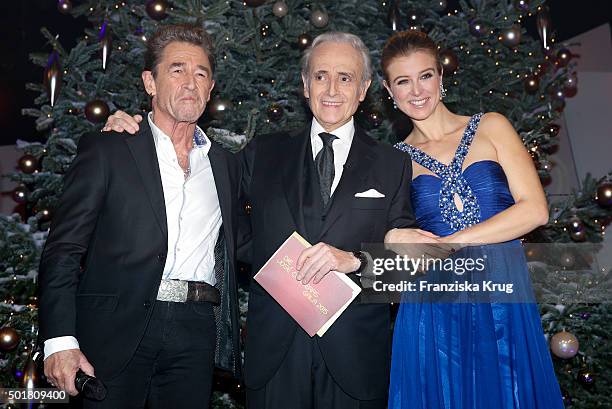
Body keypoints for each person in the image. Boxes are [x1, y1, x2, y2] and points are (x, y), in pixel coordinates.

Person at [104, 31, 415, 409]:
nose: (332, 88)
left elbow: (409, 267)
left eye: (345, 78)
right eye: (320, 76)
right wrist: (138, 134)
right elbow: (216, 211)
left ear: (364, 88)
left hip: (357, 357)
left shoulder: (393, 163)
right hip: (275, 357)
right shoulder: (263, 153)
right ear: (305, 85)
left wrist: (354, 261)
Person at [38, 24, 241, 409]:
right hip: (114, 331)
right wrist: (60, 341)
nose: (190, 83)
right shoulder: (110, 150)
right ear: (150, 82)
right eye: (177, 70)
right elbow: (63, 251)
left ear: (211, 90)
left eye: (201, 74)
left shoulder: (226, 166)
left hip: (195, 332)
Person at [380, 31, 564, 408]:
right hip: (435, 308)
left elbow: (535, 209)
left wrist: (452, 242)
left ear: (441, 77)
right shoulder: (392, 162)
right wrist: (392, 237)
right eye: (403, 81)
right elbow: (386, 236)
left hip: (503, 295)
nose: (417, 90)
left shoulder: (491, 126)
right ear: (388, 90)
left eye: (425, 75)